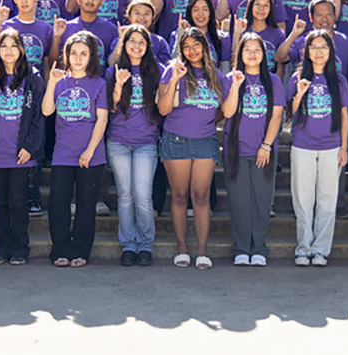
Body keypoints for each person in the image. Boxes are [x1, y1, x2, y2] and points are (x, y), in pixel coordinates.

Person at [158, 27, 231, 270]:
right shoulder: (173, 69)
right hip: (176, 140)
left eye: (196, 45)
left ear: (205, 47)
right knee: (179, 196)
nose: (191, 50)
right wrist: (176, 79)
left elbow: (226, 109)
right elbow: (163, 109)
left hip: (205, 141)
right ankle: (182, 248)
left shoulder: (214, 74)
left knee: (200, 197)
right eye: (186, 46)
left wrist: (212, 120)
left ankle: (202, 250)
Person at [0, 29, 44, 265]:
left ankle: (20, 247)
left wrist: (30, 146)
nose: (9, 50)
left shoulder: (32, 77)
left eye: (14, 45)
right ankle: (1, 247)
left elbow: (38, 116)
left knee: (18, 201)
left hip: (21, 153)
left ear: (22, 49)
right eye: (4, 46)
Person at [43, 31, 109, 267]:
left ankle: (81, 250)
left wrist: (90, 151)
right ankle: (59, 249)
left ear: (91, 56)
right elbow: (47, 111)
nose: (78, 58)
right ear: (67, 55)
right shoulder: (59, 81)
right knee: (58, 203)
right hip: (63, 153)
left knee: (85, 204)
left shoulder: (99, 84)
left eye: (83, 53)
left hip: (91, 153)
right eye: (73, 53)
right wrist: (51, 82)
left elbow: (101, 119)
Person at [288, 29, 348, 266]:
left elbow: (344, 115)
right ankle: (303, 247)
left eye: (324, 47)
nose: (319, 52)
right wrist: (299, 95)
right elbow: (290, 114)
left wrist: (344, 147)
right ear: (307, 52)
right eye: (314, 47)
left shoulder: (339, 80)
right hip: (303, 144)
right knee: (303, 198)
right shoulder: (297, 78)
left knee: (327, 198)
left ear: (330, 51)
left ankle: (321, 249)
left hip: (331, 146)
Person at [221, 33, 284, 266]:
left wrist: (266, 145)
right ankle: (240, 248)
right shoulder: (231, 78)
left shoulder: (274, 81)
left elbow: (277, 114)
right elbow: (227, 113)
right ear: (240, 53)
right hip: (235, 150)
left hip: (263, 149)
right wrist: (236, 86)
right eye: (247, 49)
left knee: (261, 200)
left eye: (257, 49)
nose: (252, 53)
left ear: (263, 54)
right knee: (238, 201)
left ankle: (258, 247)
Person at [106, 25, 164, 266]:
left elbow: (163, 105)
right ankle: (128, 245)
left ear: (148, 46)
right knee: (125, 196)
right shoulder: (113, 70)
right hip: (119, 141)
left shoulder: (156, 70)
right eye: (132, 41)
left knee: (142, 196)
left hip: (146, 142)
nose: (137, 46)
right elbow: (110, 108)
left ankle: (145, 244)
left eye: (142, 42)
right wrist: (119, 85)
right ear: (124, 44)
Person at [0, 0, 54, 72]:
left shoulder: (46, 29)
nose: (24, 1)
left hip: (35, 83)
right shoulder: (6, 26)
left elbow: (46, 63)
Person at [57, 0, 119, 68]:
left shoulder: (111, 30)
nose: (90, 0)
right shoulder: (67, 27)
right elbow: (58, 61)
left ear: (101, 2)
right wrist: (56, 37)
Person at [231, 0, 286, 74]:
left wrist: (275, 84)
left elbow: (281, 66)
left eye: (266, 5)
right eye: (257, 5)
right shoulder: (242, 30)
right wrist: (237, 35)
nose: (261, 9)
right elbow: (234, 62)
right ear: (250, 7)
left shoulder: (278, 34)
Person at [169, 0, 228, 67]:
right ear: (190, 13)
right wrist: (181, 34)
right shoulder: (176, 35)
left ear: (210, 13)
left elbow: (225, 69)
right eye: (196, 10)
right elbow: (174, 64)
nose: (200, 14)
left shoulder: (223, 38)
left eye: (205, 9)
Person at [109, 0, 173, 65]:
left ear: (152, 17)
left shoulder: (160, 42)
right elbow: (111, 63)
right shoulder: (118, 40)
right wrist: (121, 40)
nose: (142, 17)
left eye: (147, 14)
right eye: (137, 13)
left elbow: (165, 68)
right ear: (129, 16)